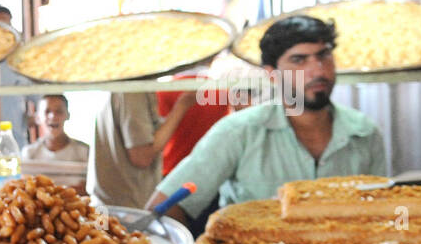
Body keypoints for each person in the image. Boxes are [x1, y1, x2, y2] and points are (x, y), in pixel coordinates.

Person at [149, 15, 386, 225]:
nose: (318, 70)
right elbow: (163, 207)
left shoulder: (363, 133)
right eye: (299, 60)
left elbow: (382, 209)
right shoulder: (239, 132)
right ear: (272, 74)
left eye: (323, 56)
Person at [87, 89, 195, 209]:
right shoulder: (134, 92)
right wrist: (183, 105)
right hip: (127, 208)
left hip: (108, 202)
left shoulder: (116, 87)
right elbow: (142, 156)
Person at [19, 94, 89, 190]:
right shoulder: (29, 153)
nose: (52, 116)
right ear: (38, 117)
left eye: (59, 111)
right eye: (47, 111)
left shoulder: (84, 152)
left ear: (67, 115)